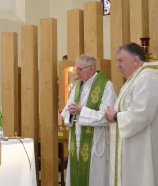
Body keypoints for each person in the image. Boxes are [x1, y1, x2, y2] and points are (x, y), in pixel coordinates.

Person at [105, 43, 158, 186]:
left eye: (121, 60)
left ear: (135, 60)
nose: (117, 65)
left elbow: (142, 114)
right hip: (132, 145)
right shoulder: (133, 80)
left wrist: (116, 116)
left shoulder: (147, 77)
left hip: (141, 147)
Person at [61, 54, 116, 186]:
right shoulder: (78, 86)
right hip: (77, 139)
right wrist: (71, 112)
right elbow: (66, 110)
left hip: (96, 142)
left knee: (94, 178)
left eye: (80, 69)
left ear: (91, 68)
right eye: (76, 69)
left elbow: (107, 116)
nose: (77, 73)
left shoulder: (105, 85)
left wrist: (82, 111)